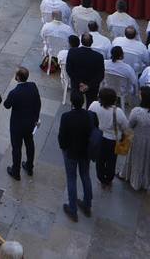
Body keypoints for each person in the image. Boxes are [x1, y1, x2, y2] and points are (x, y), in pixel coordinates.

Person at [57, 92, 95, 222]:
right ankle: (87, 204)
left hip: (70, 152)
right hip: (84, 151)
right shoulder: (89, 116)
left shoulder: (66, 117)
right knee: (85, 176)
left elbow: (62, 135)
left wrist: (63, 147)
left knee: (71, 178)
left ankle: (73, 209)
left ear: (72, 102)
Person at [123, 86, 150, 192]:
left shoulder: (137, 112)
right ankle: (147, 181)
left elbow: (129, 125)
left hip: (140, 140)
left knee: (138, 161)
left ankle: (135, 181)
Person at [3, 67, 41, 180]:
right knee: (29, 144)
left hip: (17, 125)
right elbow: (38, 103)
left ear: (18, 77)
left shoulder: (14, 92)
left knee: (17, 148)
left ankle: (16, 171)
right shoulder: (33, 86)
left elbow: (6, 105)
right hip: (30, 123)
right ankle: (29, 166)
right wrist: (36, 118)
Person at [88, 87, 128, 188]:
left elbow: (89, 117)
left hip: (98, 138)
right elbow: (125, 127)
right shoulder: (118, 112)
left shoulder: (94, 105)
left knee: (99, 160)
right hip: (112, 140)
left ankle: (101, 178)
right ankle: (109, 179)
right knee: (112, 160)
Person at [64, 33, 105, 100]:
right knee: (90, 106)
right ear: (92, 42)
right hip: (92, 86)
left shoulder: (72, 52)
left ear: (81, 41)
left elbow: (69, 70)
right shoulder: (98, 56)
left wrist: (80, 83)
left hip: (76, 84)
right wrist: (88, 86)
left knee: (76, 103)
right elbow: (101, 75)